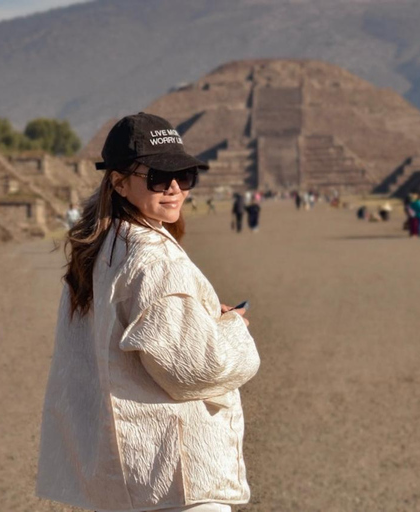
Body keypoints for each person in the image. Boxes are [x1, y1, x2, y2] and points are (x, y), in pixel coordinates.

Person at [36, 112, 260, 512]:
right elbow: (194, 369)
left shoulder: (102, 249)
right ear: (119, 182)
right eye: (157, 176)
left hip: (128, 473)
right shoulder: (154, 258)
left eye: (184, 175)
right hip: (178, 478)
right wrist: (231, 328)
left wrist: (199, 318)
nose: (174, 187)